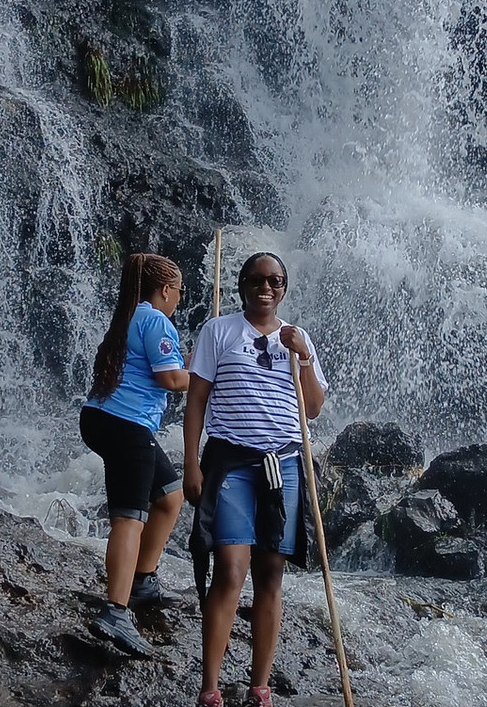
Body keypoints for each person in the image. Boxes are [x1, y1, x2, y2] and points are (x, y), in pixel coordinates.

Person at [183, 252, 328, 707]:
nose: (267, 287)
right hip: (231, 462)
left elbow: (315, 406)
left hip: (283, 462)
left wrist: (301, 356)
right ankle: (210, 687)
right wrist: (191, 461)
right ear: (241, 284)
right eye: (257, 279)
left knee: (271, 572)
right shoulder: (218, 331)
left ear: (284, 287)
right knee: (230, 569)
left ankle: (259, 686)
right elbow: (196, 401)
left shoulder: (297, 338)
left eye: (276, 280)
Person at [81, 252, 190, 657]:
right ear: (165, 289)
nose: (179, 299)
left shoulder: (130, 314)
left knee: (170, 496)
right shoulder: (157, 320)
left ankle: (143, 581)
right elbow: (169, 377)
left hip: (102, 417)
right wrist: (201, 373)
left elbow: (162, 368)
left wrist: (189, 366)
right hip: (126, 424)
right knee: (130, 518)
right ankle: (116, 610)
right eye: (179, 291)